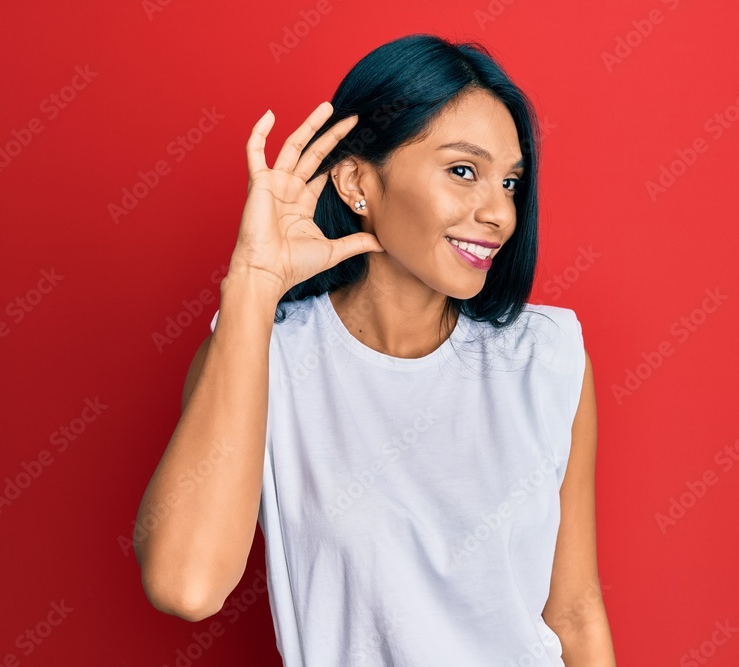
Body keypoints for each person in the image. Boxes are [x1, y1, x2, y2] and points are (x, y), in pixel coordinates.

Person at [134, 33, 615, 666]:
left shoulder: (547, 360)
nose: (500, 211)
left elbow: (574, 612)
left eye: (511, 182)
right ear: (359, 182)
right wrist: (252, 282)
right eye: (463, 171)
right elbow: (185, 585)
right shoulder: (264, 356)